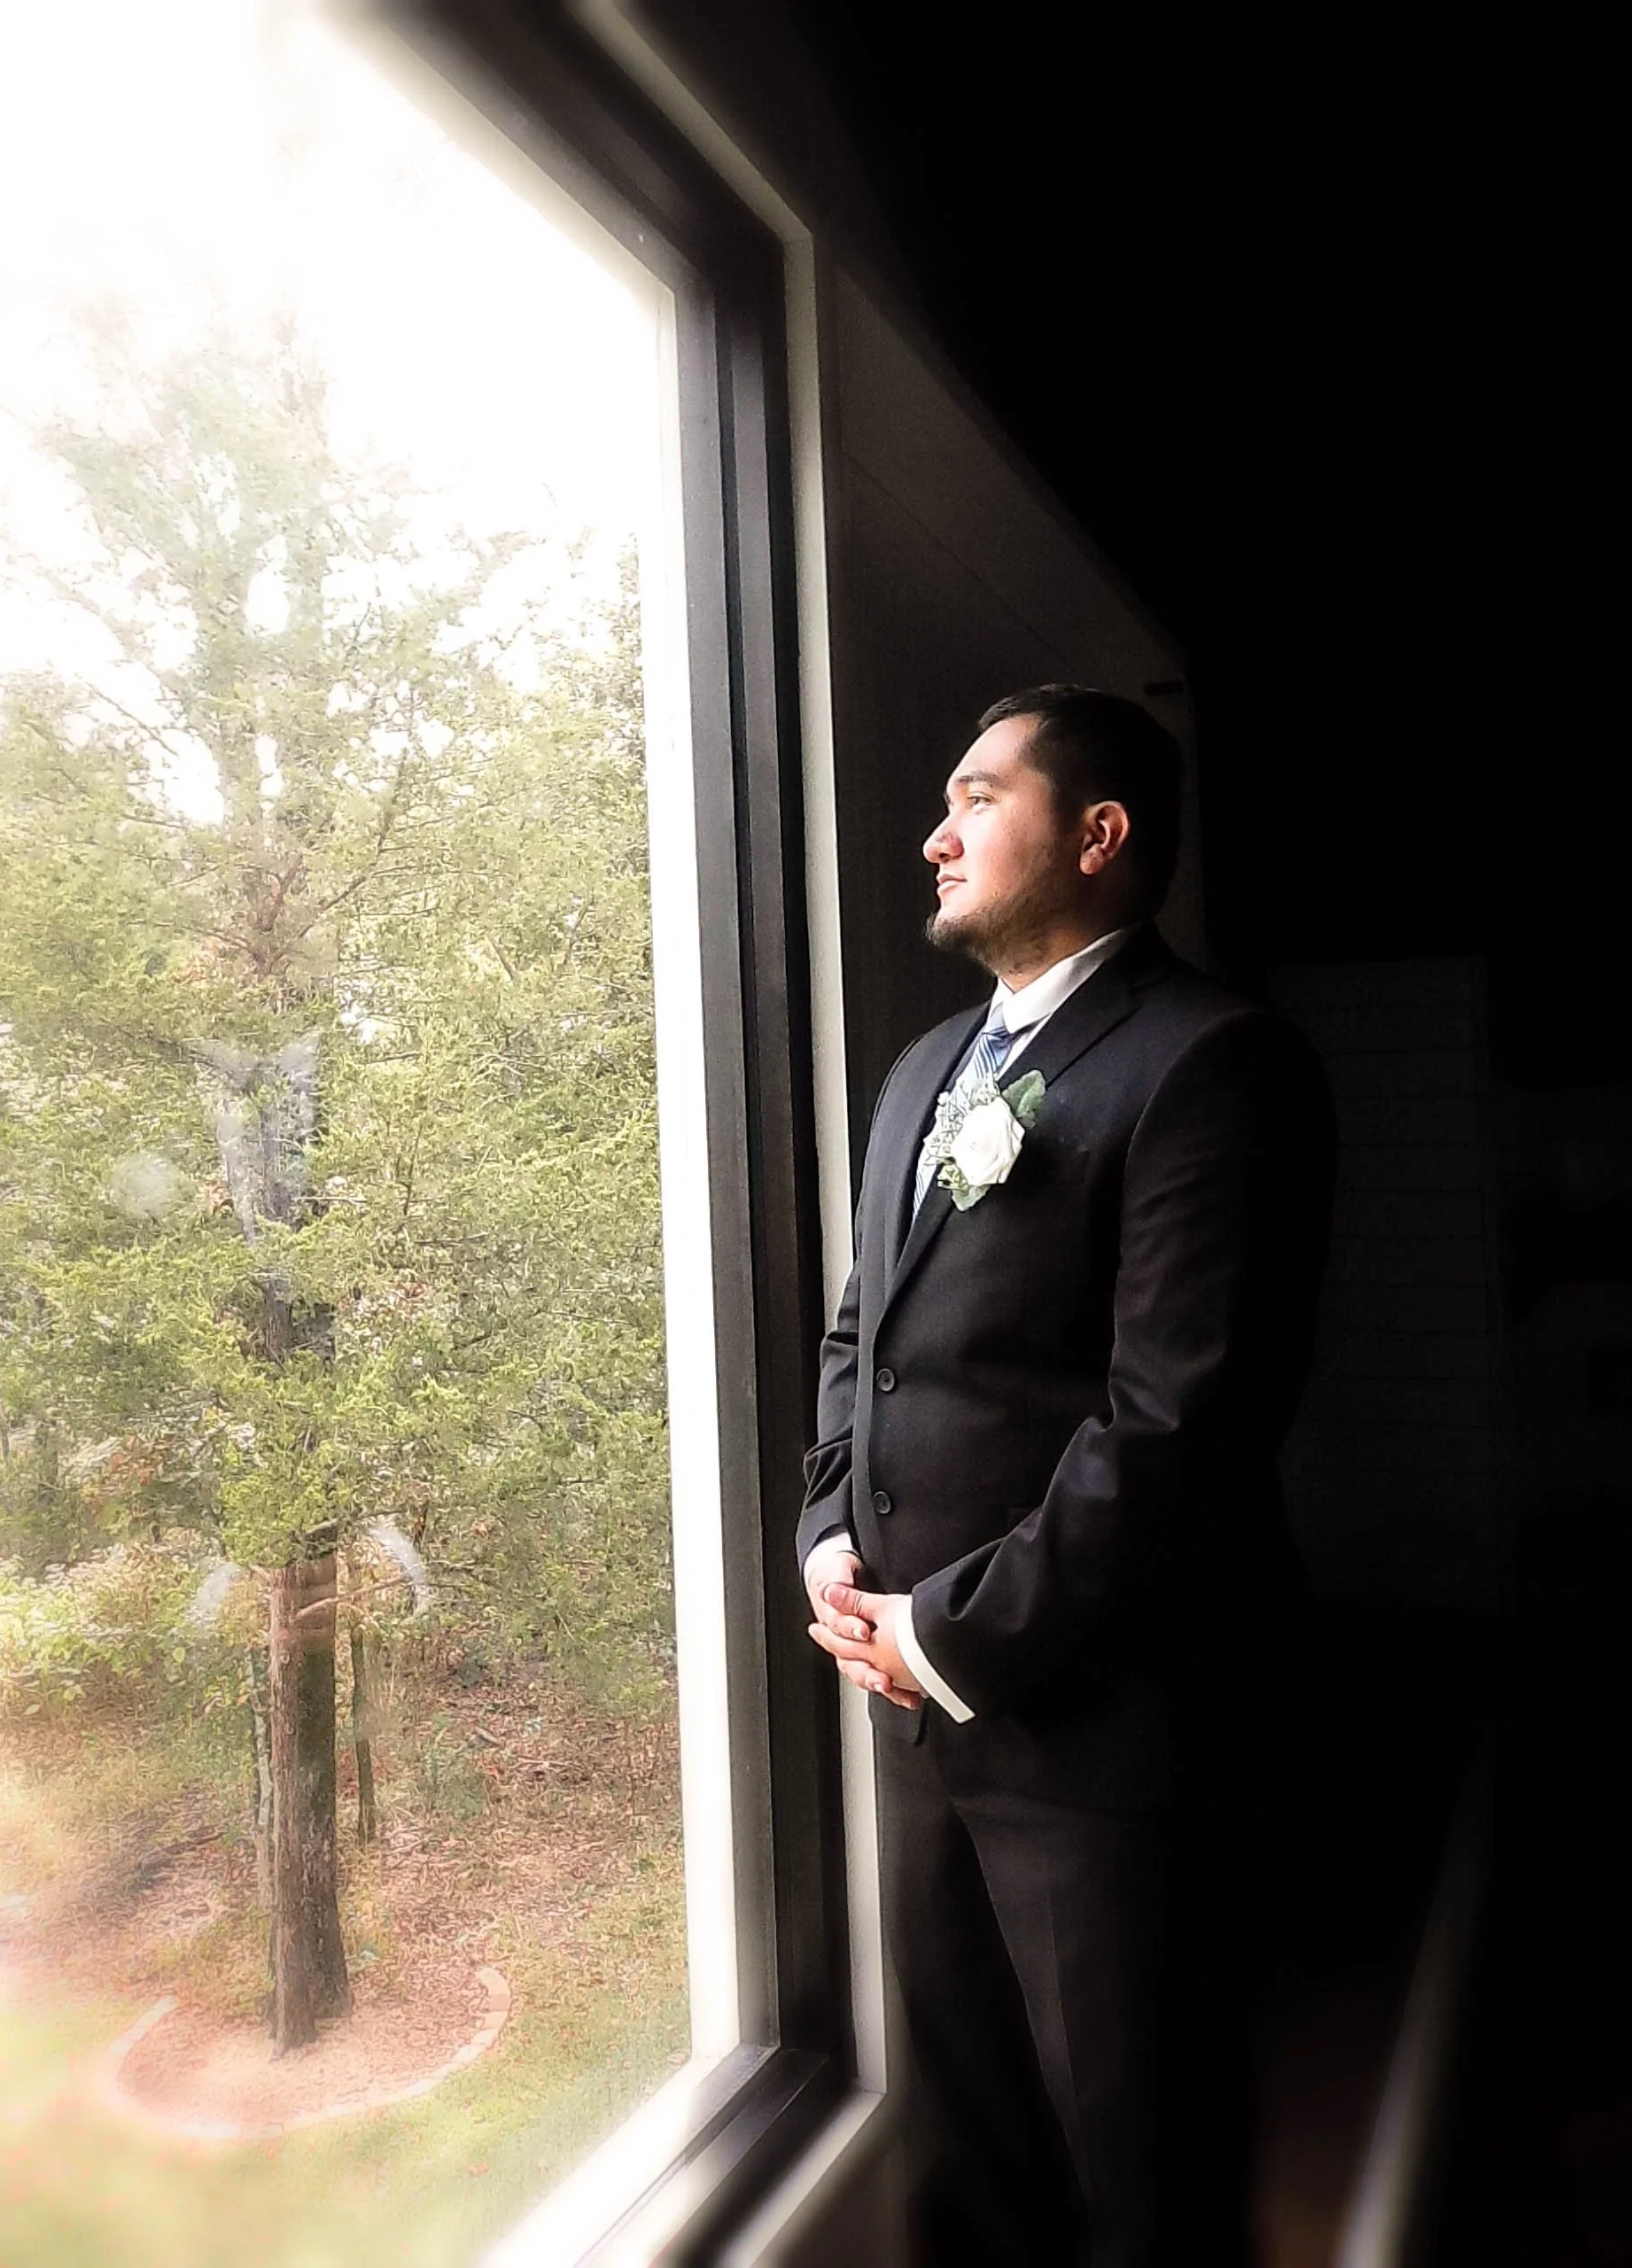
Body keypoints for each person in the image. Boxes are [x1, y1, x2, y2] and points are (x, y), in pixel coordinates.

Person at [797, 687, 1335, 2266]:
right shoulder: (919, 1074)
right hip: (920, 1724)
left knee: (1147, 2160)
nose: (935, 832)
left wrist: (951, 1627)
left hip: (1116, 1736)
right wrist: (830, 1532)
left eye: (978, 797)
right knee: (971, 2153)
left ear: (1098, 836)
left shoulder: (1213, 1063)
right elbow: (862, 1334)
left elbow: (1182, 1430)